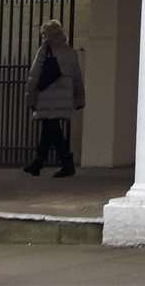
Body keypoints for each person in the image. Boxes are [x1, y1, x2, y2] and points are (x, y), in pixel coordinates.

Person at [24, 19, 85, 178]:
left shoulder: (45, 50)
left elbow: (34, 74)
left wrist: (30, 97)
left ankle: (66, 162)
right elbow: (77, 77)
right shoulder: (70, 52)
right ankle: (39, 162)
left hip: (47, 97)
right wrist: (79, 97)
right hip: (64, 98)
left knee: (52, 129)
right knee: (50, 128)